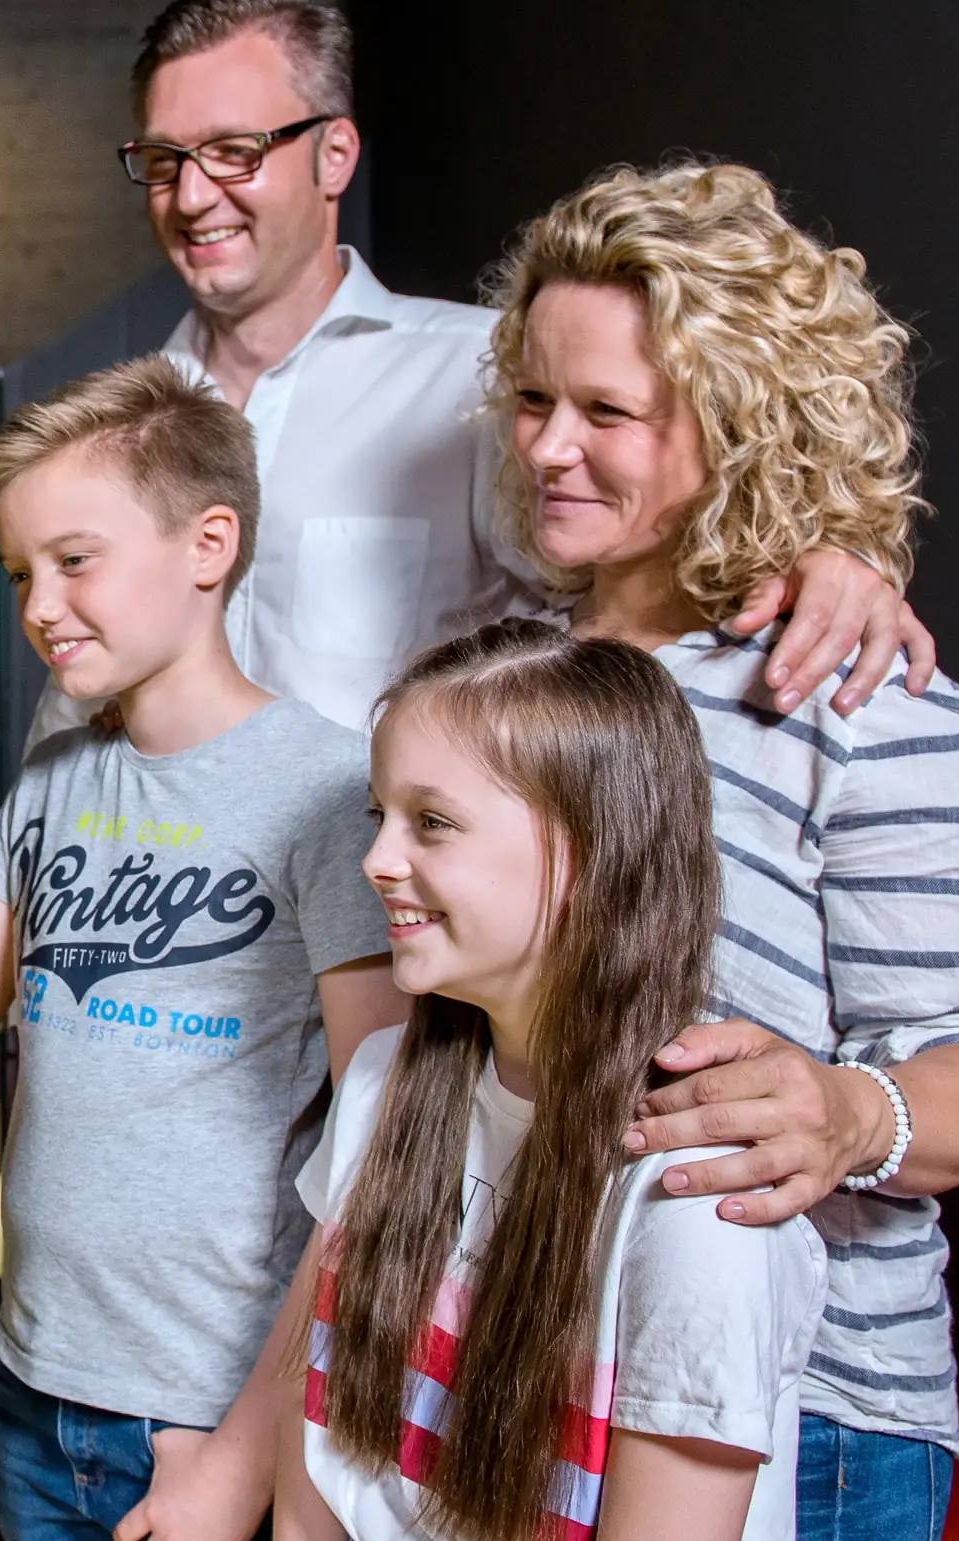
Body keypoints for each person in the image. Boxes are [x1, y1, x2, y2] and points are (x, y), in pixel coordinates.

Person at [485, 161, 959, 1540]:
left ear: (743, 430)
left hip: (805, 1406)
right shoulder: (505, 673)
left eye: (609, 413)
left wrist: (851, 1113)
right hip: (528, 1368)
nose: (552, 448)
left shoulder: (866, 705)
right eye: (534, 400)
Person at [33, 0, 925, 744]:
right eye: (162, 160)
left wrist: (824, 559)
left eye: (234, 152)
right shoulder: (112, 422)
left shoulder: (490, 381)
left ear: (334, 155)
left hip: (409, 919)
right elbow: (68, 711)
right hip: (165, 919)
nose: (192, 196)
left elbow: (652, 581)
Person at [0, 356, 405, 1541]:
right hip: (24, 1374)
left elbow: (384, 1150)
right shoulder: (53, 777)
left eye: (73, 560)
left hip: (191, 1415)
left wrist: (237, 1449)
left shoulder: (329, 790)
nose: (37, 607)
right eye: (20, 573)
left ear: (208, 546)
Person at [279, 619, 826, 1541]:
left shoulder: (696, 1202)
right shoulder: (380, 1083)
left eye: (433, 822)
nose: (376, 859)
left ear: (588, 851)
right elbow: (316, 1484)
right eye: (381, 816)